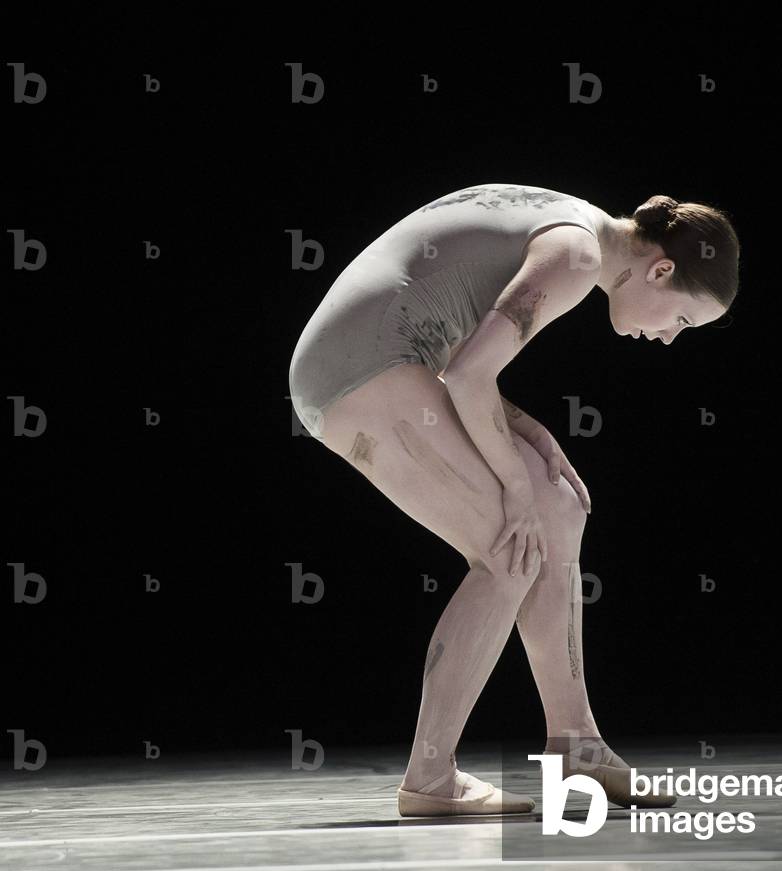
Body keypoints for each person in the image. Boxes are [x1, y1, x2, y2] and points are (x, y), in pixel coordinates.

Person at [288, 183, 740, 817]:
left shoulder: (573, 224)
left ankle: (577, 742)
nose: (669, 338)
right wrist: (515, 490)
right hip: (359, 369)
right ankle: (430, 778)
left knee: (560, 507)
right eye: (682, 319)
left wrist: (527, 431)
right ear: (661, 269)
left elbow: (450, 351)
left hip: (383, 358)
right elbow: (468, 375)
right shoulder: (578, 256)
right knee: (512, 542)